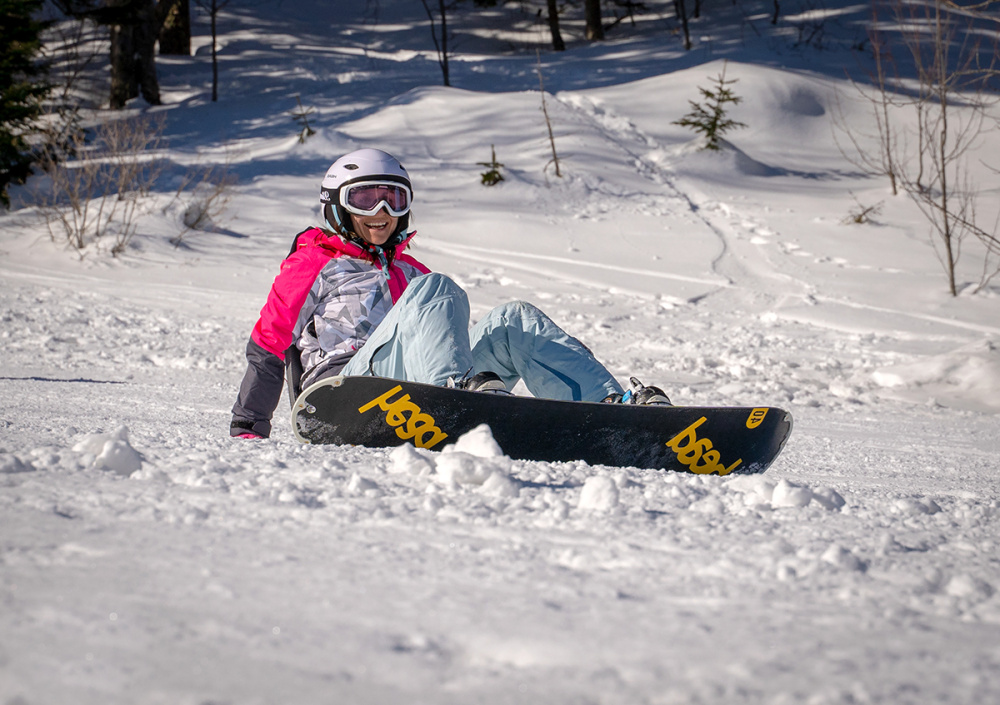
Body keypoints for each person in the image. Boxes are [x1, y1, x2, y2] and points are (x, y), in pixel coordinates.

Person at [230, 148, 668, 439]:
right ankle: (460, 398)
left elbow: (439, 339)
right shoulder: (314, 261)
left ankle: (613, 410)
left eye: (394, 199)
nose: (382, 212)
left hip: (417, 384)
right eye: (365, 199)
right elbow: (270, 341)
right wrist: (249, 425)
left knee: (513, 318)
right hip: (347, 392)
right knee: (435, 287)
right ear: (337, 205)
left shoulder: (411, 271)